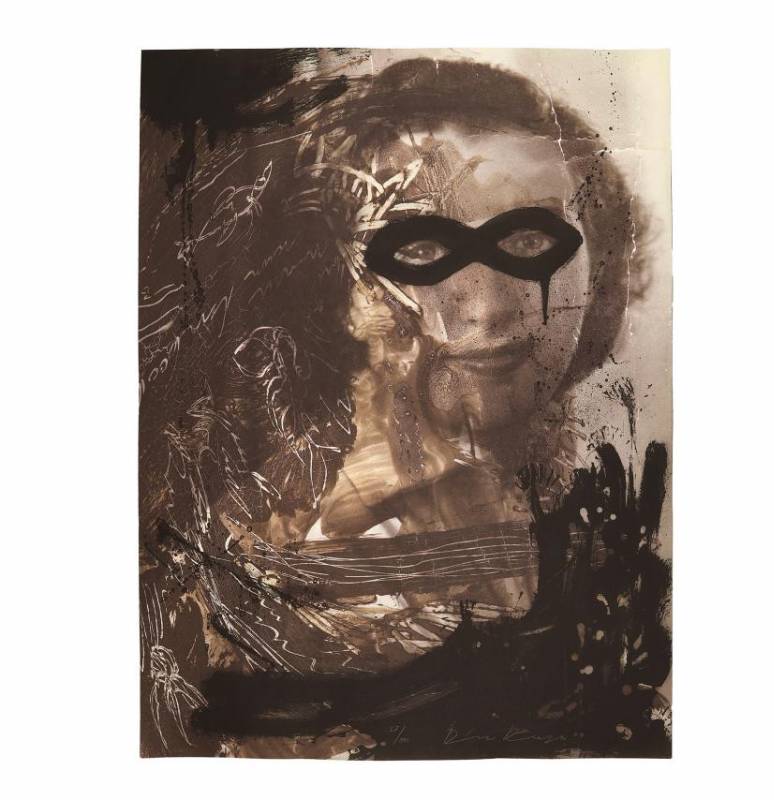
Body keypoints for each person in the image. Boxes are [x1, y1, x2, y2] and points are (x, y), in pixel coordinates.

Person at [139, 55, 667, 757]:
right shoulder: (302, 559)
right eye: (420, 248)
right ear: (325, 274)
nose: (485, 309)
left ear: (599, 265)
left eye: (528, 241)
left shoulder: (577, 527)